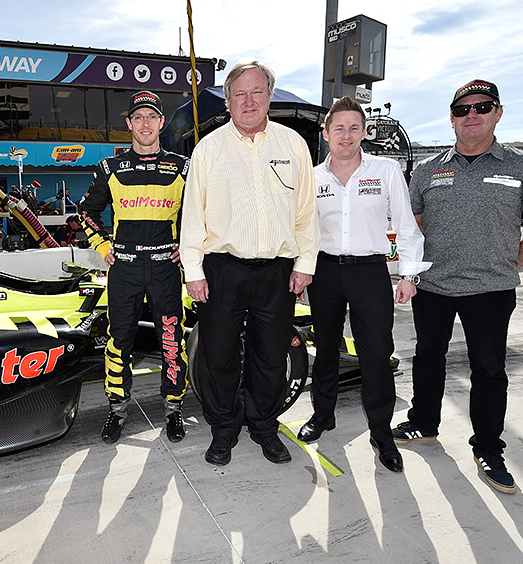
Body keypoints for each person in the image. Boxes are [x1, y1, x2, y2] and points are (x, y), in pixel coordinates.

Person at [393, 80, 523, 494]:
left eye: (482, 107)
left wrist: (504, 265)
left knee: (488, 370)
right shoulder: (429, 169)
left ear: (498, 113)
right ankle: (424, 424)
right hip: (433, 287)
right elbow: (415, 225)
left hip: (491, 290)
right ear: (451, 119)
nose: (472, 116)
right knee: (427, 358)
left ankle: (487, 447)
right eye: (462, 110)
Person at [180, 61, 319, 466]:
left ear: (269, 96)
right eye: (239, 93)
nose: (249, 101)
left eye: (257, 92)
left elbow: (306, 213)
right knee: (217, 355)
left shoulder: (292, 146)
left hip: (278, 270)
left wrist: (305, 262)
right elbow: (193, 217)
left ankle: (264, 427)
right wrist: (194, 271)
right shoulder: (208, 149)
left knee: (271, 355)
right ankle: (223, 431)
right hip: (222, 269)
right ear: (227, 100)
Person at [298, 97, 430, 473]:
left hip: (370, 273)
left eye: (354, 127)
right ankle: (323, 416)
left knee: (375, 355)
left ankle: (381, 432)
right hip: (324, 272)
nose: (346, 135)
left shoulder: (385, 170)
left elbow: (406, 224)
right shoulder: (312, 176)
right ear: (325, 134)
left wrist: (408, 274)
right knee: (324, 352)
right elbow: (303, 229)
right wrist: (303, 270)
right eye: (338, 128)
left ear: (365, 132)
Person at [79, 90, 191, 444]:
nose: (145, 123)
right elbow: (86, 210)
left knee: (172, 340)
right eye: (138, 117)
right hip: (125, 267)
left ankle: (174, 410)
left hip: (165, 268)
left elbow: (199, 217)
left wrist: (186, 249)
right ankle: (117, 410)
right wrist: (102, 245)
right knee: (119, 341)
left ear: (161, 123)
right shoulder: (110, 167)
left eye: (152, 117)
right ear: (129, 123)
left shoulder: (182, 166)